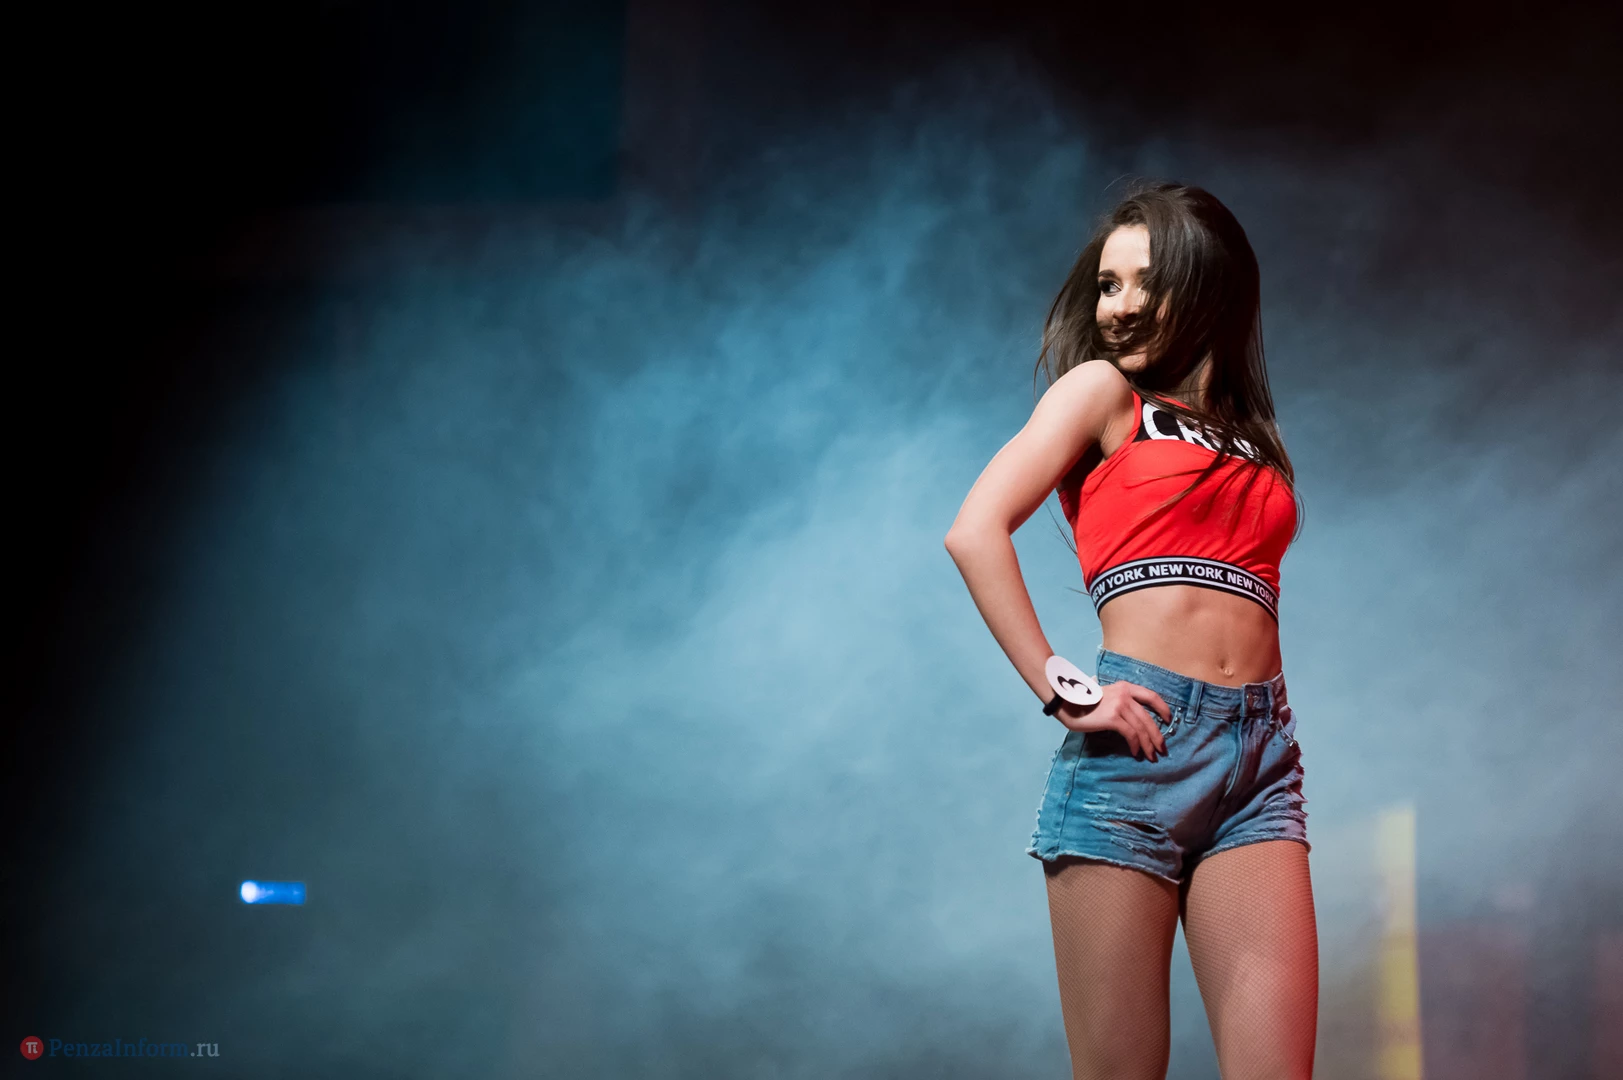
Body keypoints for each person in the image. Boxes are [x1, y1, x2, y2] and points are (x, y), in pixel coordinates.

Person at [943, 181, 1317, 1079]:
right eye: (1106, 285)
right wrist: (1065, 689)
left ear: (1206, 284)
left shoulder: (1250, 434)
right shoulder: (1103, 394)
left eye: (1143, 281)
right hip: (1136, 753)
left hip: (1259, 758)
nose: (1117, 306)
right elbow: (973, 530)